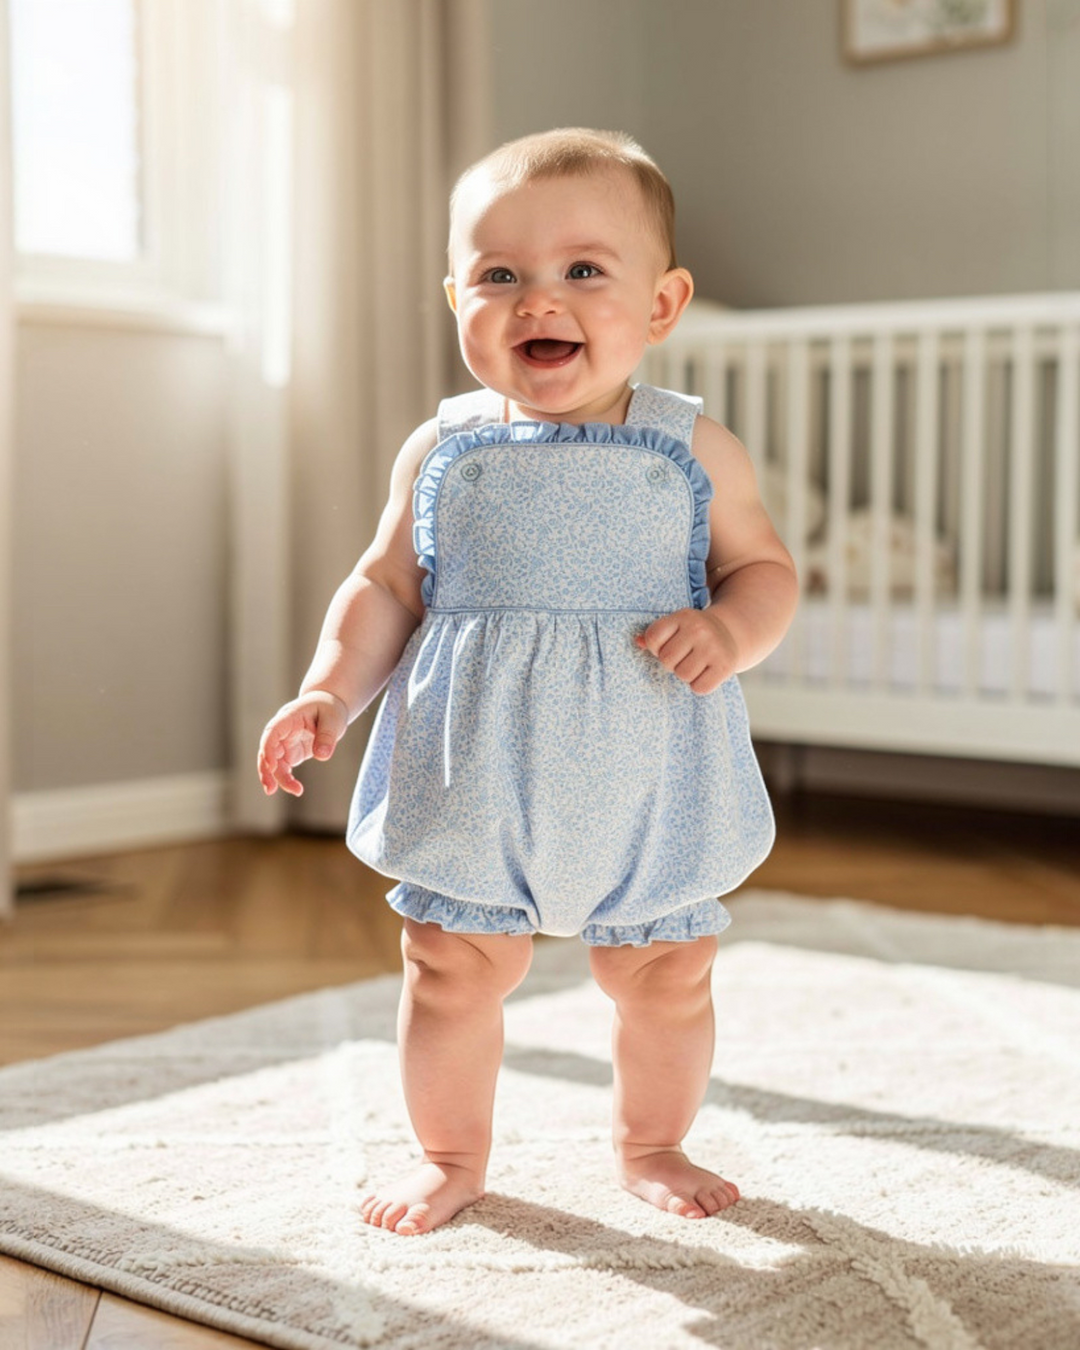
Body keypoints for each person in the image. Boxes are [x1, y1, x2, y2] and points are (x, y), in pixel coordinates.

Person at [257, 128, 798, 1237]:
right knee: (449, 969)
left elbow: (766, 570)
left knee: (665, 976)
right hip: (476, 769)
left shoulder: (691, 448)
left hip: (647, 772)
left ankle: (652, 1140)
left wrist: (732, 629)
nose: (537, 300)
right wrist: (327, 691)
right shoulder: (444, 448)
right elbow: (385, 588)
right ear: (458, 297)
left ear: (661, 304)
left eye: (583, 271)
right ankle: (449, 1156)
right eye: (500, 276)